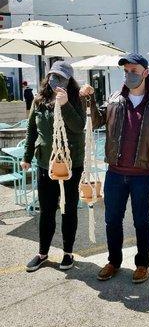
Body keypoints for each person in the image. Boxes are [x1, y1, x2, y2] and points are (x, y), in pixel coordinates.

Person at [79, 53, 149, 283]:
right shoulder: (115, 98)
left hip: (143, 173)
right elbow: (96, 121)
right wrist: (88, 100)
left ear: (145, 72)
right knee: (112, 219)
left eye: (134, 70)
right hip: (115, 171)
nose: (129, 75)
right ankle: (114, 261)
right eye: (126, 71)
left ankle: (143, 264)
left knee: (141, 220)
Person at [22, 61, 85, 272]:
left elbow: (78, 127)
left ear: (69, 81)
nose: (55, 80)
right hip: (45, 163)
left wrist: (65, 104)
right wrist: (27, 156)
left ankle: (68, 252)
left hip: (71, 164)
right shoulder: (39, 101)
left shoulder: (77, 98)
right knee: (47, 210)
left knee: (68, 209)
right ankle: (43, 253)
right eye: (53, 76)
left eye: (61, 78)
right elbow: (32, 131)